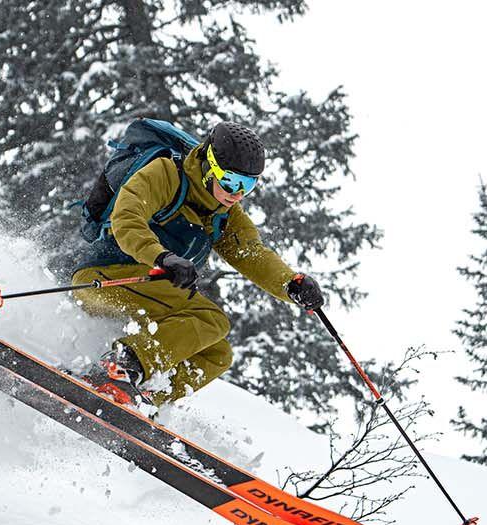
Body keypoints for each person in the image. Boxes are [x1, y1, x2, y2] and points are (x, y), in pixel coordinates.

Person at [69, 121, 326, 407]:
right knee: (210, 319)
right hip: (106, 276)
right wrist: (161, 257)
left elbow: (251, 254)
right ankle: (118, 370)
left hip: (148, 292)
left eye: (248, 185)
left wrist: (290, 284)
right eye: (231, 181)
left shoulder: (224, 213)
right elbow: (126, 218)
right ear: (208, 168)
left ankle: (145, 398)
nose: (237, 194)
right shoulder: (167, 174)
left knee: (216, 354)